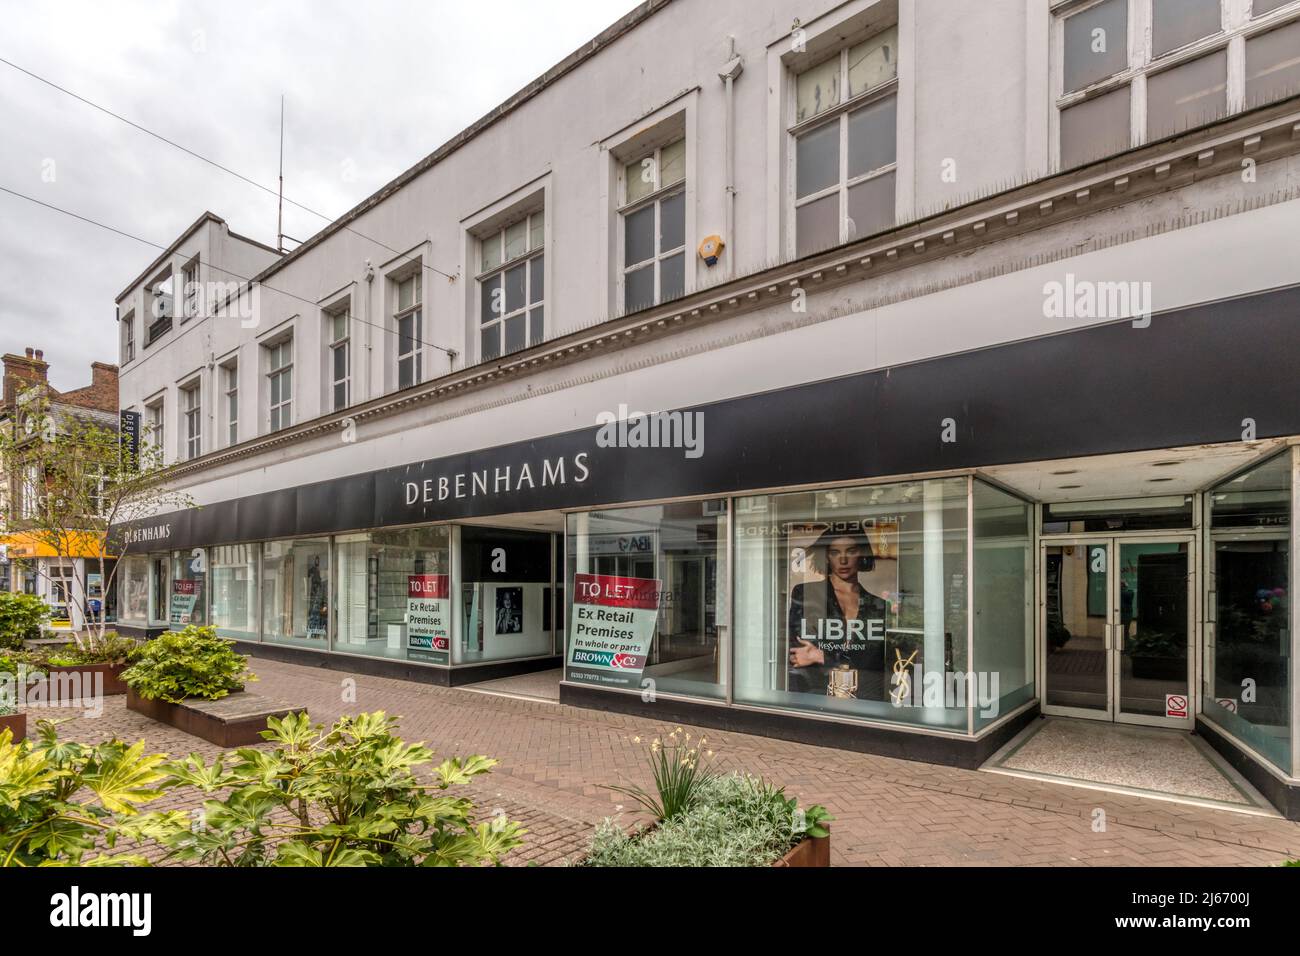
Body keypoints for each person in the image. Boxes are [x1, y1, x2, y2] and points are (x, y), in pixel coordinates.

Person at [787, 527, 889, 697]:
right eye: (834, 552)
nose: (843, 560)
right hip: (816, 694)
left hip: (865, 697)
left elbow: (876, 662)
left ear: (861, 554)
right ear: (827, 557)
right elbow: (799, 653)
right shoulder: (807, 593)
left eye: (851, 551)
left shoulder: (877, 605)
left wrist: (822, 657)